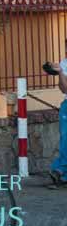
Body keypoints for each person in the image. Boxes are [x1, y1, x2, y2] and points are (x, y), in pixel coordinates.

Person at [48, 56, 67, 188]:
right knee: (65, 138)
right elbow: (64, 89)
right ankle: (60, 171)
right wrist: (60, 72)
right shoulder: (64, 63)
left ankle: (60, 170)